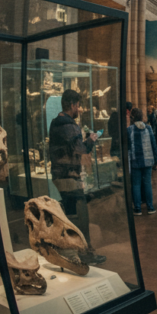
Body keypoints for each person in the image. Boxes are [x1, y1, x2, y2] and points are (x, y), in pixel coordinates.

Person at [48, 89, 105, 264]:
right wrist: (91, 140)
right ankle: (85, 254)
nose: (79, 109)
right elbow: (80, 149)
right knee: (81, 216)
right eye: (78, 106)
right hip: (68, 177)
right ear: (72, 105)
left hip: (59, 175)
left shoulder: (55, 123)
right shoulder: (70, 125)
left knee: (71, 213)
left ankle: (71, 252)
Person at [127, 108, 157, 215]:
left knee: (136, 185)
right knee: (147, 183)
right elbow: (153, 144)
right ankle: (150, 207)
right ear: (141, 117)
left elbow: (127, 146)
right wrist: (156, 160)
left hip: (135, 160)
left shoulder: (129, 129)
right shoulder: (148, 128)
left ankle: (137, 208)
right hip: (148, 159)